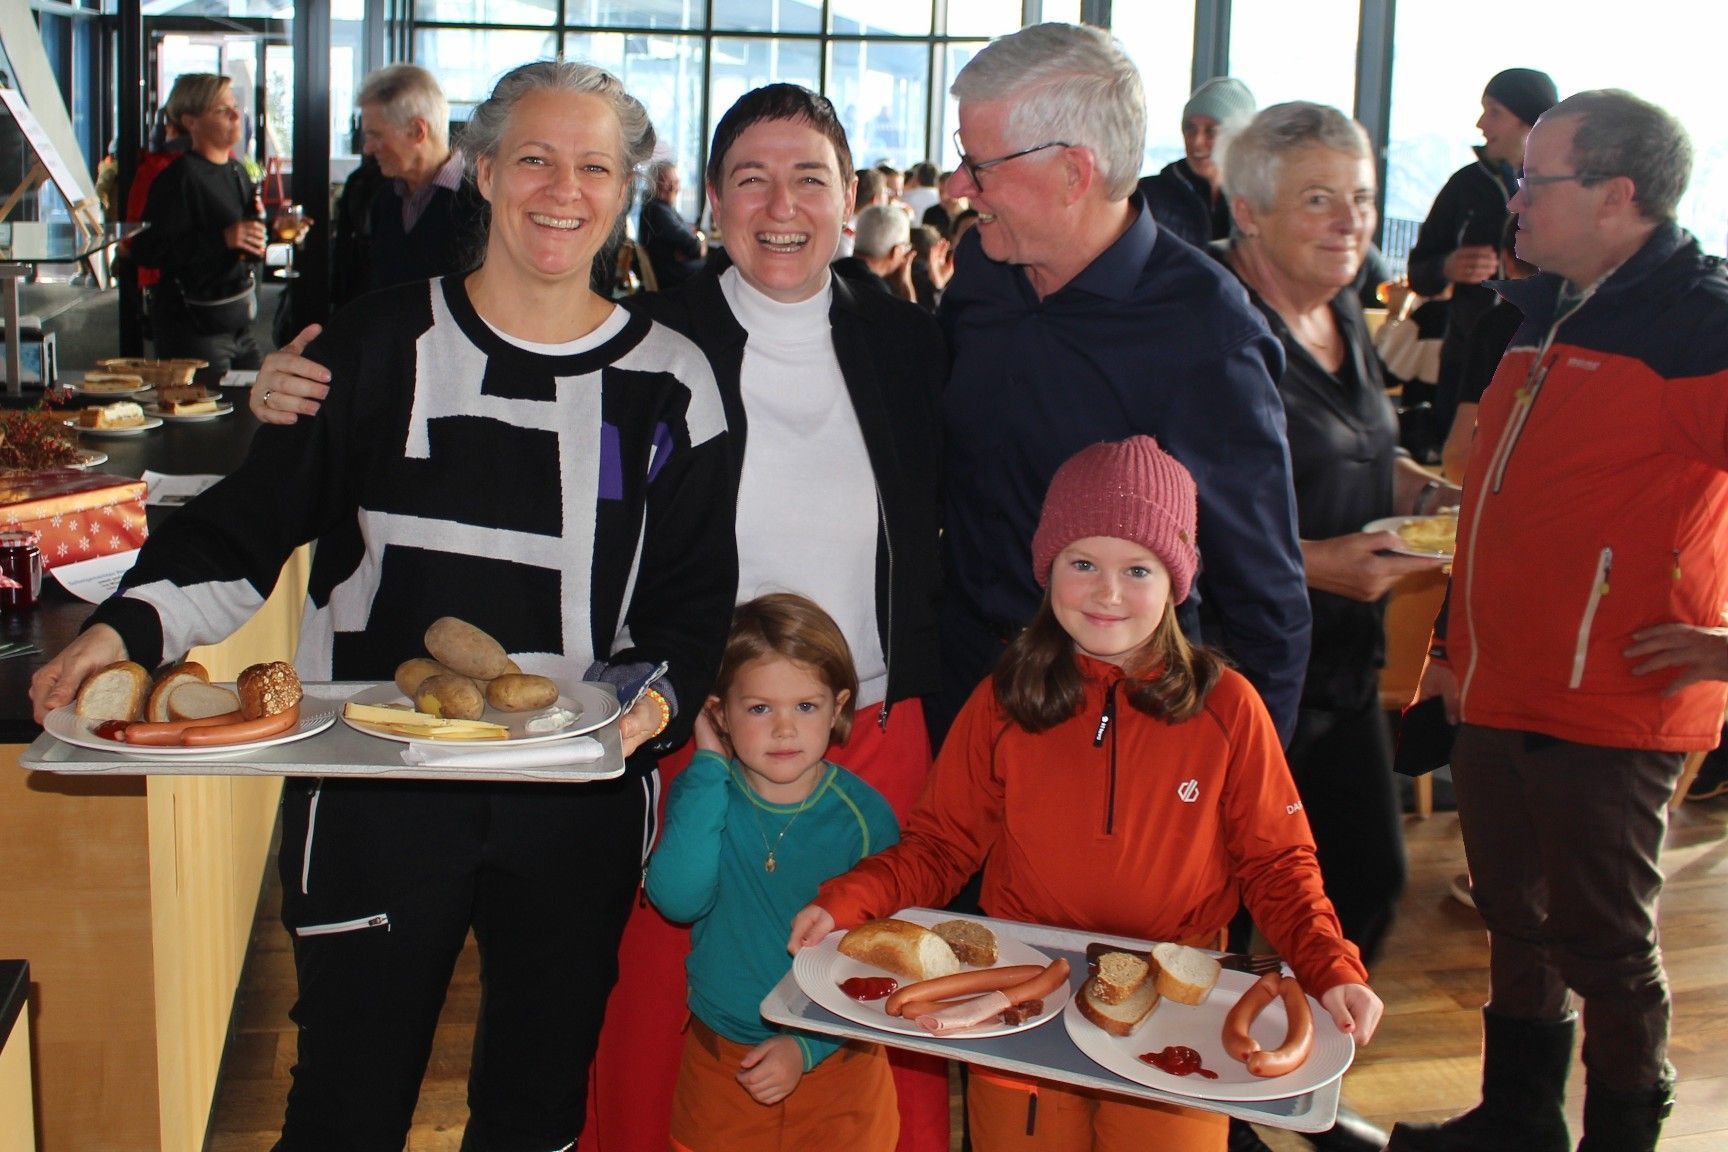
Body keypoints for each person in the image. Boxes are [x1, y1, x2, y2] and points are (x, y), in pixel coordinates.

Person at [35, 60, 735, 1151]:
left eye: (594, 165)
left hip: (575, 798)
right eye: (536, 159)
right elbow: (244, 527)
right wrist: (124, 628)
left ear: (625, 187)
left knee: (537, 1109)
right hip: (372, 793)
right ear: (487, 172)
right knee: (344, 1109)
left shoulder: (676, 382)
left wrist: (652, 707)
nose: (565, 189)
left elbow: (693, 611)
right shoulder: (371, 344)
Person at [239, 80, 950, 1152]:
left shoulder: (914, 351)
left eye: (811, 176)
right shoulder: (654, 341)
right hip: (683, 736)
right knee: (645, 1047)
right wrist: (299, 394)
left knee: (858, 1032)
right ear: (709, 199)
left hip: (870, 741)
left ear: (852, 199)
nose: (781, 202)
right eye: (749, 178)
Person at [789, 436, 1383, 1152]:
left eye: (1138, 568)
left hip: (1176, 1016)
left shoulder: (1231, 710)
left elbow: (1280, 867)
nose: (1107, 592)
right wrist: (845, 901)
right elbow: (940, 847)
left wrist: (1330, 967)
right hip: (1019, 995)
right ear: (1048, 572)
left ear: (1177, 581)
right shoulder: (1000, 700)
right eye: (1082, 564)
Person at [1386, 89, 1728, 1152]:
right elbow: (1496, 510)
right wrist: (1447, 653)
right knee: (1515, 923)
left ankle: (1621, 1136)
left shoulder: (1700, 323)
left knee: (1606, 948)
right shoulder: (1546, 308)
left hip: (1612, 698)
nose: (1515, 197)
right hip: (1499, 688)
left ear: (1618, 195)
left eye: (1540, 178)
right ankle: (1519, 1120)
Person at [935, 23, 1309, 748]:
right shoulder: (982, 272)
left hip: (1114, 727)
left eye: (978, 166)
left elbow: (1266, 601)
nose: (957, 188)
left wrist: (1241, 803)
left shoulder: (1207, 334)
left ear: (1074, 172)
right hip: (965, 693)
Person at [1218, 100, 1460, 1152]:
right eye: (1318, 198)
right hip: (1239, 672)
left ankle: (1294, 1082)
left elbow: (1346, 452)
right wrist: (1316, 563)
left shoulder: (1344, 312)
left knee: (1367, 879)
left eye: (1360, 199)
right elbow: (1170, 509)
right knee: (1219, 918)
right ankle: (1211, 1109)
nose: (1349, 220)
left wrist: (1410, 481)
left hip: (1342, 665)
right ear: (1249, 210)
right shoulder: (1219, 327)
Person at [649, 593, 900, 1151]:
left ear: (837, 708)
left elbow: (881, 962)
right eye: (760, 708)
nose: (784, 729)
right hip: (724, 1066)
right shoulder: (707, 794)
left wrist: (806, 1046)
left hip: (838, 1065)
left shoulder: (865, 819)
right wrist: (709, 764)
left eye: (806, 707)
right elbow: (677, 899)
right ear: (720, 713)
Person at [1405, 68, 1557, 407]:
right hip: (1463, 362)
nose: (1480, 124)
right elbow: (1418, 273)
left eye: (1494, 112)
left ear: (1527, 119)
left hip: (1538, 363)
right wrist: (1446, 267)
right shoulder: (1463, 186)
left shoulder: (1563, 192)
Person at [129, 73, 265, 371]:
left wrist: (270, 235)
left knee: (256, 407)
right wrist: (223, 239)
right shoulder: (178, 178)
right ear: (191, 121)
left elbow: (243, 241)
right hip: (191, 323)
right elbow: (144, 249)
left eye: (234, 106)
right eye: (221, 110)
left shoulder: (236, 171)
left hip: (235, 316)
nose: (235, 115)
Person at [356, 63, 487, 292]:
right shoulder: (381, 197)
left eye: (375, 135)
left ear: (418, 131)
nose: (367, 148)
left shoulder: (483, 203)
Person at [1138, 76, 1256, 249]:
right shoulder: (1147, 197)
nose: (1197, 141)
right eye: (1190, 128)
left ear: (1238, 139)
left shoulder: (1259, 202)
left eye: (1211, 131)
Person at [639, 158, 707, 289]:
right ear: (654, 184)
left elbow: (690, 240)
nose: (673, 187)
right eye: (668, 182)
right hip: (671, 280)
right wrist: (700, 241)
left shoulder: (662, 208)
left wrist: (695, 239)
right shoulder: (657, 211)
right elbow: (695, 248)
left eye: (676, 182)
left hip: (674, 274)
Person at [833, 202, 915, 300]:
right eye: (906, 246)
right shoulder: (878, 291)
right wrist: (905, 285)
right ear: (896, 251)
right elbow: (909, 315)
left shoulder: (831, 270)